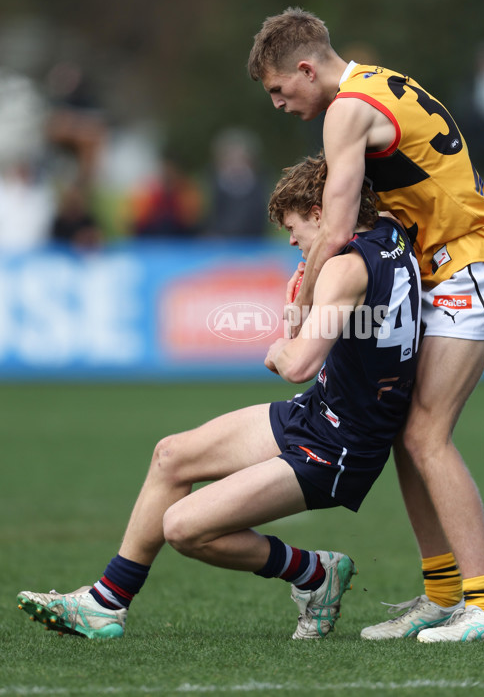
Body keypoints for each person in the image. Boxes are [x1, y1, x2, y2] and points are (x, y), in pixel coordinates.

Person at [17, 154, 421, 641]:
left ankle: (314, 573)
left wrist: (282, 338)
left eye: (295, 227)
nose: (291, 240)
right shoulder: (390, 228)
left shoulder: (343, 269)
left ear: (321, 213)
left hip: (339, 448)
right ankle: (106, 603)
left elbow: (296, 365)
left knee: (183, 528)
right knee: (171, 455)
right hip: (321, 412)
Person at [248, 7, 484, 642]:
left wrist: (300, 306)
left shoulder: (346, 110)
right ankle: (444, 593)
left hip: (469, 264)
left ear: (306, 68)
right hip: (450, 266)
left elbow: (337, 225)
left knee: (427, 435)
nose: (281, 105)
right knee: (408, 431)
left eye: (280, 91)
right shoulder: (376, 80)